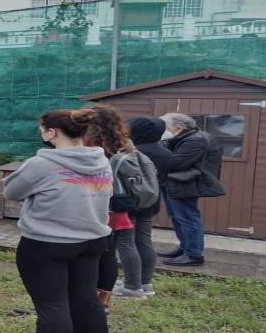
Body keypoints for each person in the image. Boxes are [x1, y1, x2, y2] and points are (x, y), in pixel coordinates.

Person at [4, 108, 112, 333]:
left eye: (42, 130)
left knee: (53, 306)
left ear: (51, 133)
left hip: (46, 244)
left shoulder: (41, 164)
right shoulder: (101, 160)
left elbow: (11, 191)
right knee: (86, 301)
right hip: (92, 241)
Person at [80, 105, 144, 307]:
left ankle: (87, 297)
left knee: (93, 253)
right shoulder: (123, 145)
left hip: (96, 204)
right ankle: (103, 299)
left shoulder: (91, 147)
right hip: (116, 206)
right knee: (109, 251)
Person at [157, 113, 224, 267]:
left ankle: (193, 254)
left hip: (186, 183)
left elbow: (175, 163)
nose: (162, 130)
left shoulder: (195, 140)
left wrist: (159, 148)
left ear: (177, 127)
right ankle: (185, 248)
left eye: (165, 126)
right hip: (176, 181)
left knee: (187, 218)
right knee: (177, 217)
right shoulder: (184, 137)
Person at [124, 117, 172, 296]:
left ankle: (131, 285)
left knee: (126, 242)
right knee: (144, 241)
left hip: (129, 202)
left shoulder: (132, 152)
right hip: (151, 200)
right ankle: (145, 283)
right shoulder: (165, 152)